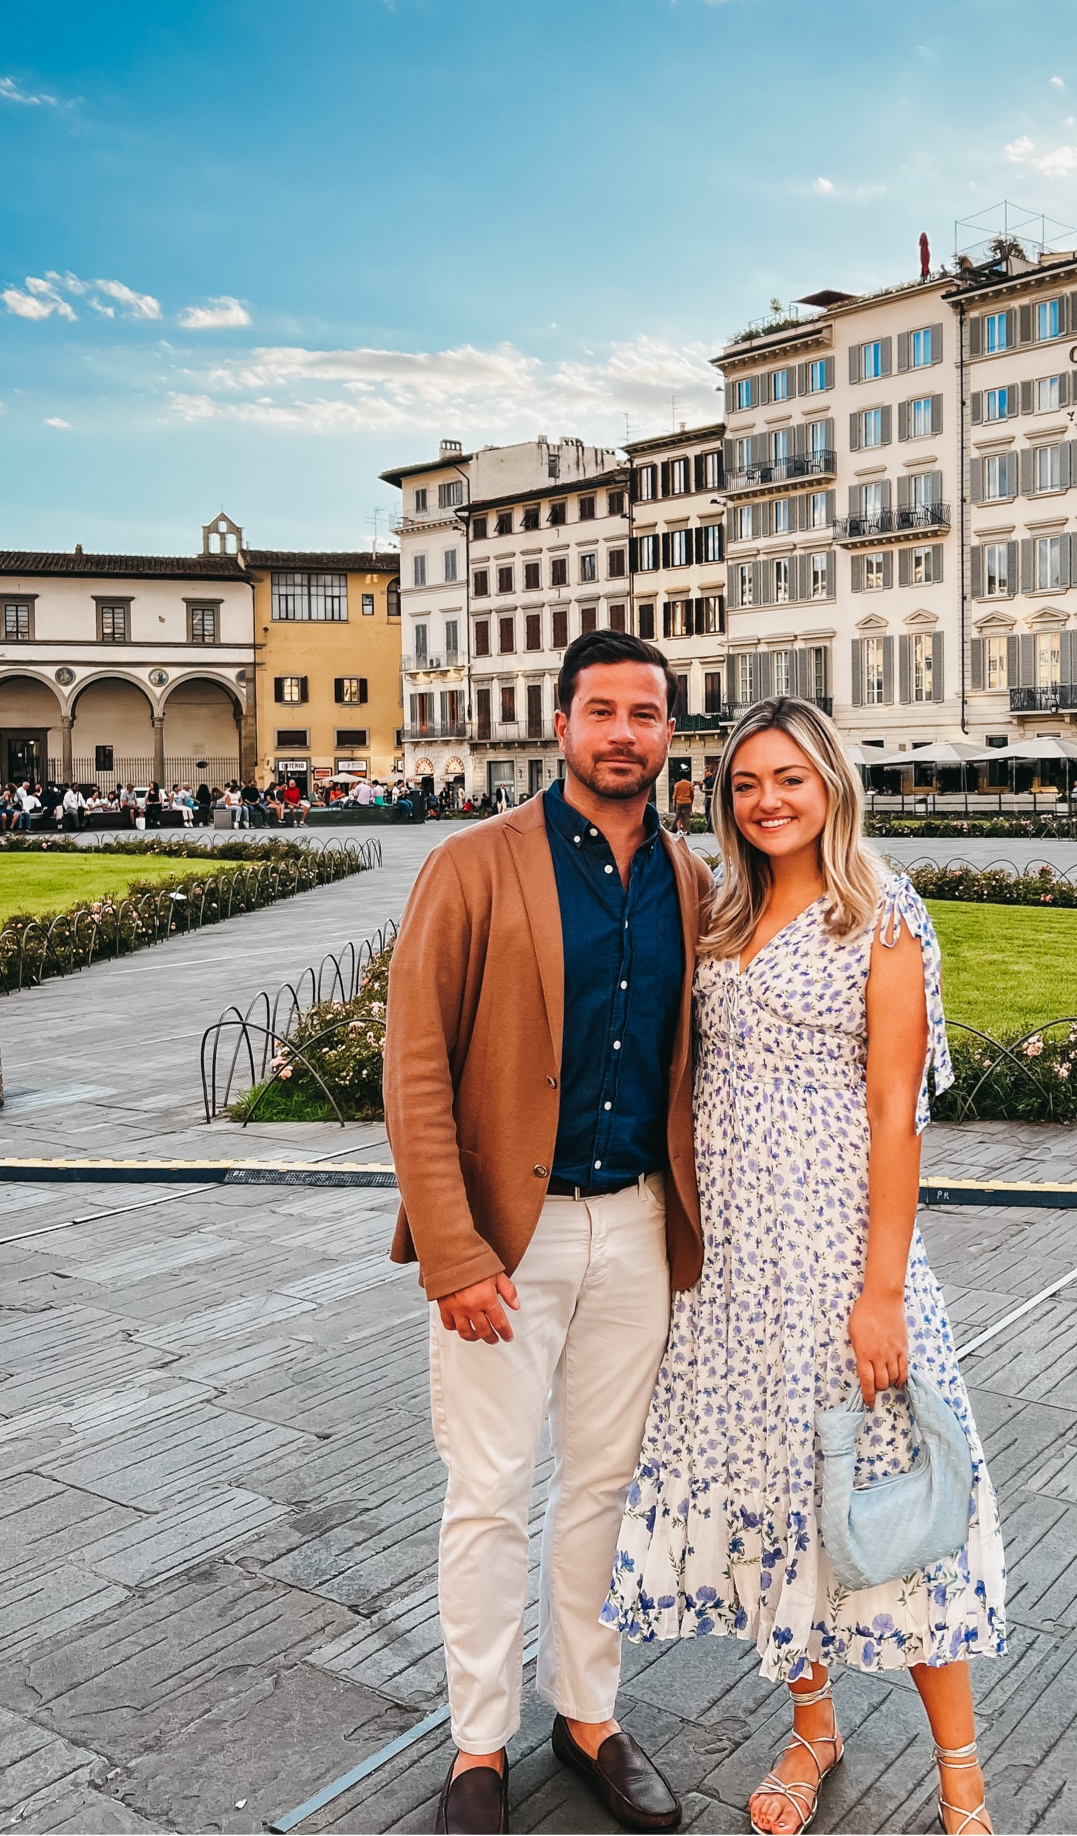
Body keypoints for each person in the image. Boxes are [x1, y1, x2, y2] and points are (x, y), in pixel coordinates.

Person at [605, 696, 1005, 1836]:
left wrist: (882, 1291)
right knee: (777, 1491)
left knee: (897, 1489)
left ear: (831, 783)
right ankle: (811, 1728)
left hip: (839, 1252)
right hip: (731, 1264)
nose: (767, 800)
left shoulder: (879, 916)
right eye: (745, 783)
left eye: (790, 778)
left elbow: (897, 1114)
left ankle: (961, 1779)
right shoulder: (721, 909)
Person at [385, 630, 711, 1836]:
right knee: (488, 1493)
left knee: (605, 1490)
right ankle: (479, 1746)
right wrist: (454, 1253)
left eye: (650, 713)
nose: (627, 732)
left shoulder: (684, 877)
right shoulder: (476, 864)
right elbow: (414, 1067)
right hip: (504, 1241)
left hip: (634, 1225)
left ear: (670, 731)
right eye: (604, 710)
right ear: (560, 722)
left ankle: (589, 1718)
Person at [669, 771, 693, 837]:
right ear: (687, 776)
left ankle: (671, 828)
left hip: (679, 802)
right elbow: (692, 794)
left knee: (677, 816)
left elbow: (675, 795)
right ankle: (687, 831)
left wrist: (674, 803)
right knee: (687, 817)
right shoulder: (689, 784)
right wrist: (691, 801)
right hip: (688, 801)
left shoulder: (677, 784)